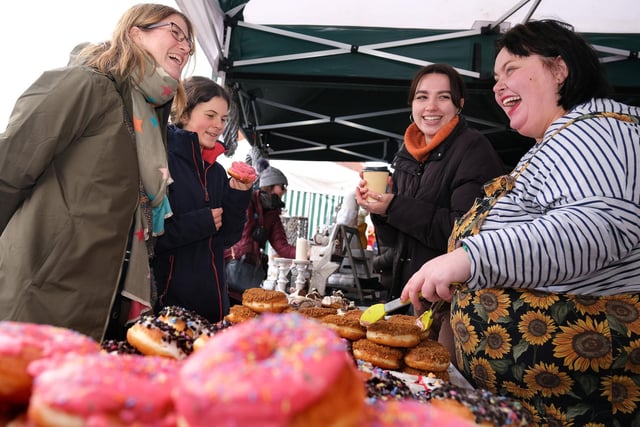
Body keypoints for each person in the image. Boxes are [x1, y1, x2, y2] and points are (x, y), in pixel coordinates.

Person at [402, 20, 640, 426]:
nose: (497, 87)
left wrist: (469, 259)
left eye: (511, 69)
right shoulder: (558, 141)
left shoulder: (598, 131)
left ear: (559, 69)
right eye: (496, 78)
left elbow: (598, 227)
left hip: (579, 407)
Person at [0, 4, 194, 341]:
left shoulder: (149, 117)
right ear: (135, 32)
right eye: (175, 32)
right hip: (43, 293)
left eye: (189, 42)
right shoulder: (85, 84)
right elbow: (9, 168)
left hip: (105, 305)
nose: (186, 46)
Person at [355, 63, 504, 344]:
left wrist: (394, 207)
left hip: (448, 306)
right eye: (422, 97)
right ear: (412, 103)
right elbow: (395, 241)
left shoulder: (473, 148)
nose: (431, 106)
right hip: (407, 298)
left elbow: (463, 234)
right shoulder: (407, 154)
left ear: (459, 104)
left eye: (443, 97)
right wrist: (379, 210)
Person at [152, 76, 253, 323]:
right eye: (210, 115)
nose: (218, 125)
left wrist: (238, 195)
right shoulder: (161, 161)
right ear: (184, 113)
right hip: (170, 308)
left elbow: (227, 238)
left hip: (214, 305)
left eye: (223, 119)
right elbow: (149, 236)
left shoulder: (217, 172)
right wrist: (201, 222)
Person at [224, 160, 296, 299]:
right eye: (282, 186)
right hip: (231, 266)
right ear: (271, 186)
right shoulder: (248, 200)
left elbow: (282, 247)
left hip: (250, 274)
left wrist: (305, 253)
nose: (285, 191)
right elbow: (240, 237)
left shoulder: (273, 213)